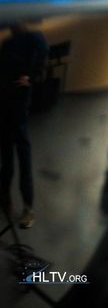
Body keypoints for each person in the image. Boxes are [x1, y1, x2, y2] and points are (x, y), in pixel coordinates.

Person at [0, 23, 48, 229]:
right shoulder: (7, 43)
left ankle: (28, 207)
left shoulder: (34, 37)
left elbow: (44, 55)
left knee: (22, 152)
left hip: (19, 101)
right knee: (5, 153)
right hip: (4, 100)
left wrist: (31, 77)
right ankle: (5, 198)